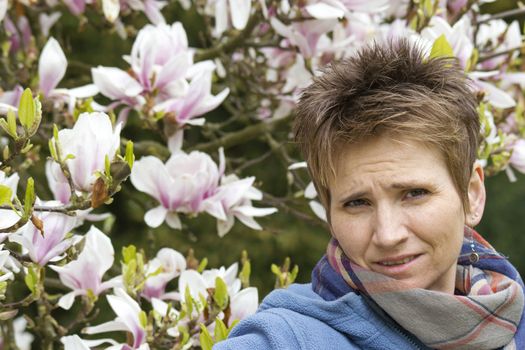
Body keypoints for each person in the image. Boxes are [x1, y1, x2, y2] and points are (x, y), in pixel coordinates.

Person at [213, 39, 525, 350]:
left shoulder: (515, 324)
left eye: (414, 194)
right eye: (357, 203)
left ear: (472, 195)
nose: (388, 235)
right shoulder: (283, 341)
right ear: (329, 210)